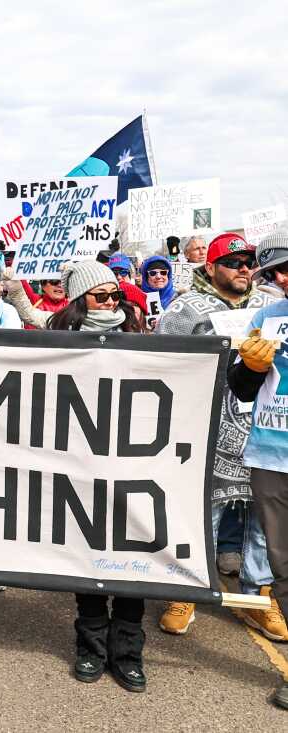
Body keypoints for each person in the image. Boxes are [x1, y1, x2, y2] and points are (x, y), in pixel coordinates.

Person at [156, 234, 284, 640]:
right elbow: (161, 365)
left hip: (265, 432)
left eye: (248, 261)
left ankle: (258, 596)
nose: (243, 268)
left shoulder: (271, 307)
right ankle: (187, 590)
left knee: (265, 525)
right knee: (200, 513)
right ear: (210, 267)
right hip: (206, 427)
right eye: (232, 261)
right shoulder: (184, 309)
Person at [46, 260, 147, 691]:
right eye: (101, 296)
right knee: (87, 556)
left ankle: (127, 652)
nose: (111, 303)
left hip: (132, 464)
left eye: (115, 295)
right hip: (79, 463)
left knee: (133, 556)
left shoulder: (142, 338)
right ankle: (90, 647)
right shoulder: (58, 341)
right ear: (79, 300)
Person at [227, 231, 288, 711]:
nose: (283, 278)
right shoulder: (266, 315)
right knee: (283, 567)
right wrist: (247, 366)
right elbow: (244, 391)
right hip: (271, 456)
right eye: (276, 272)